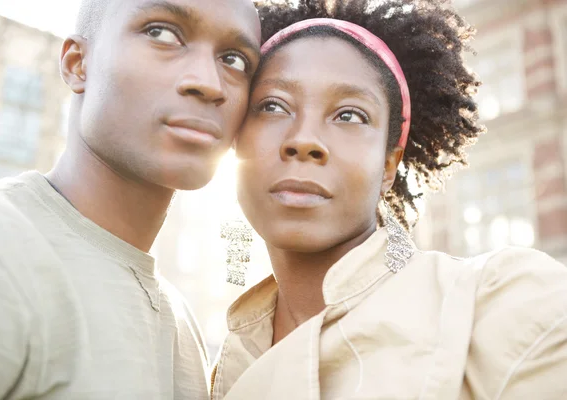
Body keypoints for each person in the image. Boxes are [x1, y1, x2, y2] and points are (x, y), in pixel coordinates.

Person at [211, 1, 567, 399]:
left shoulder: (498, 306)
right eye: (273, 106)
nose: (303, 140)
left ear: (387, 165)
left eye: (349, 115)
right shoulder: (214, 362)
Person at [0, 0, 261, 398]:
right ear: (77, 63)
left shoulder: (182, 328)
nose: (209, 82)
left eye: (235, 60)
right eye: (161, 33)